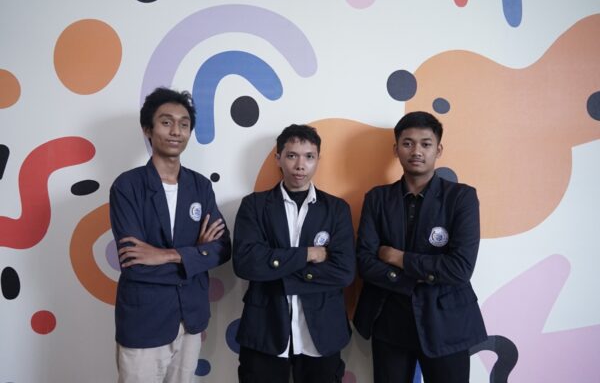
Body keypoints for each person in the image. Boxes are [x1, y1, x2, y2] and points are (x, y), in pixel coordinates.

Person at [353, 111, 487, 383]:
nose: (416, 151)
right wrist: (415, 278)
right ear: (396, 150)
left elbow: (460, 268)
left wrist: (397, 257)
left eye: (425, 144)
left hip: (447, 322)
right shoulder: (377, 198)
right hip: (390, 320)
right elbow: (365, 262)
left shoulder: (461, 198)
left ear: (438, 150)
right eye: (408, 143)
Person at [109, 87, 231, 383]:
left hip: (191, 320)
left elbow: (222, 248)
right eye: (166, 122)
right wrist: (196, 255)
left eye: (184, 124)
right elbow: (135, 264)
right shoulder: (127, 186)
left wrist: (168, 255)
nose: (176, 131)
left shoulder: (200, 186)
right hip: (144, 321)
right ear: (147, 129)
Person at [233, 124, 355, 383]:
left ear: (318, 159)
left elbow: (344, 272)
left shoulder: (336, 209)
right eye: (292, 156)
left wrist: (278, 271)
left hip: (322, 330)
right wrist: (307, 254)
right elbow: (245, 264)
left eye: (309, 156)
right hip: (264, 328)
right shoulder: (254, 205)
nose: (300, 165)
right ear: (278, 158)